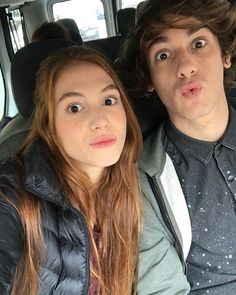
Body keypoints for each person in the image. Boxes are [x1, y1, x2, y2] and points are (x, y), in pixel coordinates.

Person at [0, 46, 143, 295]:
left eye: (109, 100)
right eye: (74, 108)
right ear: (49, 126)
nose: (100, 120)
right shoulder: (13, 197)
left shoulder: (130, 185)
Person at [120, 0, 236, 294]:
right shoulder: (141, 183)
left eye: (198, 43)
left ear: (226, 54)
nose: (185, 67)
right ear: (149, 79)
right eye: (163, 54)